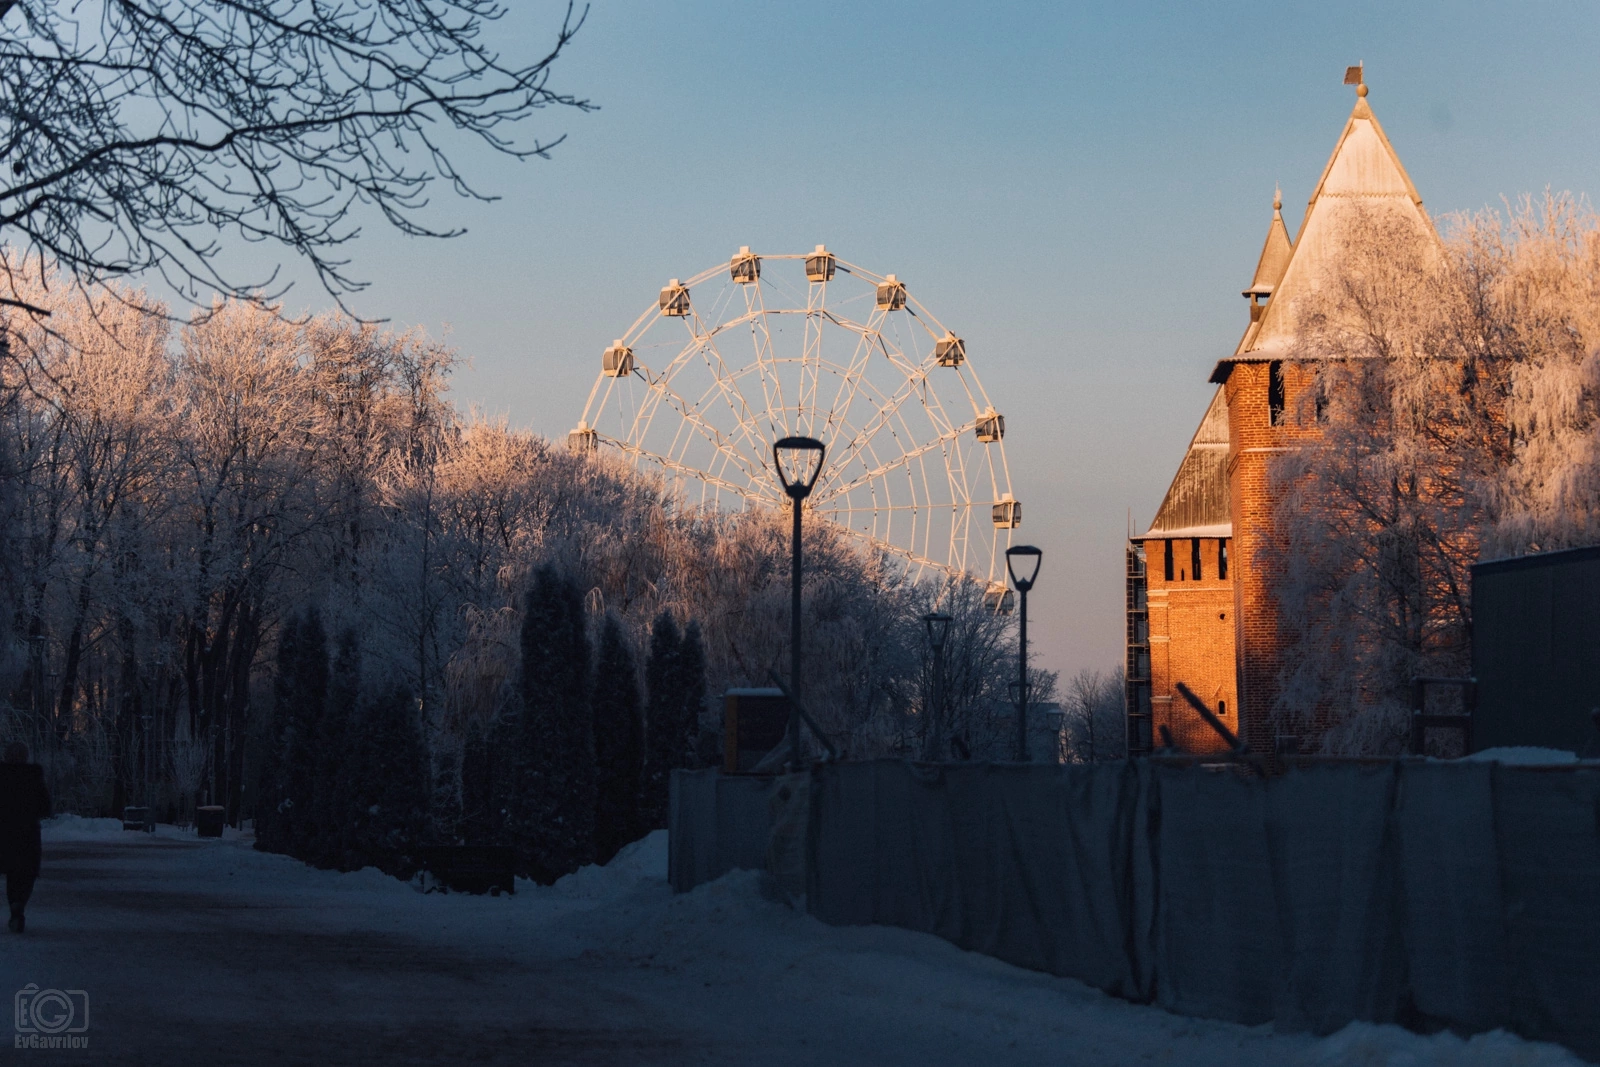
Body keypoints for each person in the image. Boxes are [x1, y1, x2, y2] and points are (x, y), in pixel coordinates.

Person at [0, 741, 51, 933]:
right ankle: (18, 903)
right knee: (25, 874)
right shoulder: (33, 777)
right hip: (27, 834)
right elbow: (45, 807)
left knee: (10, 871)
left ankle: (14, 903)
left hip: (3, 833)